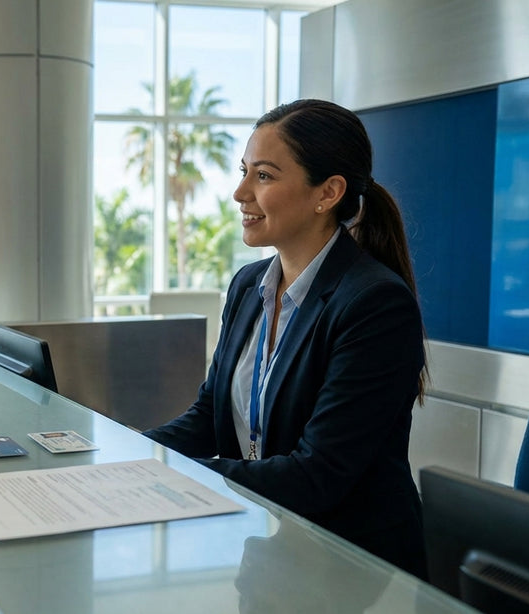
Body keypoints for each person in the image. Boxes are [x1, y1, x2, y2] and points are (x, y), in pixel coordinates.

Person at [143, 99, 429, 579]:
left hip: (355, 571)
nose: (239, 192)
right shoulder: (247, 286)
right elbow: (208, 418)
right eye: (244, 171)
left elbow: (318, 474)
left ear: (328, 192)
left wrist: (172, 475)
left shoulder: (374, 303)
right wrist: (127, 450)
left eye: (264, 176)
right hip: (267, 548)